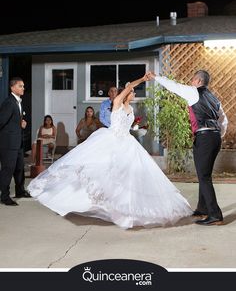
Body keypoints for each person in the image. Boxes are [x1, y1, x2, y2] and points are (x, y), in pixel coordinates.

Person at [27, 72, 191, 228]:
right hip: (112, 140)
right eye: (132, 92)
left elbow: (129, 125)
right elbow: (127, 89)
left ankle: (125, 209)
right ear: (126, 94)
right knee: (105, 173)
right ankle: (99, 204)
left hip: (127, 143)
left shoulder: (131, 109)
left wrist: (138, 126)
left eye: (133, 92)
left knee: (129, 176)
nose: (133, 94)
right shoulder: (118, 103)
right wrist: (142, 79)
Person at [151, 68, 227, 226]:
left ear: (199, 81)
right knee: (203, 174)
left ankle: (215, 215)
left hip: (205, 137)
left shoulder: (194, 92)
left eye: (193, 79)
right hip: (214, 137)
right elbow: (223, 120)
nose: (190, 82)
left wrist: (155, 77)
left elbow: (173, 86)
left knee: (204, 176)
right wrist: (217, 135)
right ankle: (202, 208)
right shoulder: (214, 98)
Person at [0, 77, 30, 206]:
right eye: (20, 86)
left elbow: (12, 121)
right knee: (8, 169)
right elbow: (1, 121)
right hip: (9, 143)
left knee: (19, 168)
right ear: (12, 88)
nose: (23, 88)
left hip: (18, 142)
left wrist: (20, 124)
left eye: (23, 86)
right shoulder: (9, 103)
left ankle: (20, 190)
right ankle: (4, 196)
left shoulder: (18, 102)